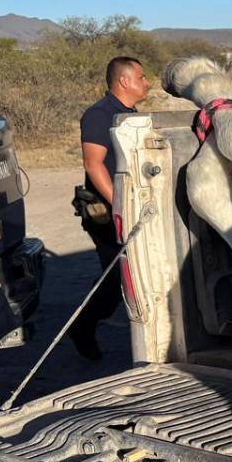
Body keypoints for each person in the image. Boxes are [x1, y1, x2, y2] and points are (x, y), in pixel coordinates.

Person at [69, 56, 150, 360]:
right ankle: (82, 327)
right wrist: (120, 205)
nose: (147, 83)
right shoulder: (99, 115)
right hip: (107, 214)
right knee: (117, 276)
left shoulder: (127, 114)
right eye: (141, 78)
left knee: (132, 271)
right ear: (124, 81)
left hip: (130, 206)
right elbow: (94, 165)